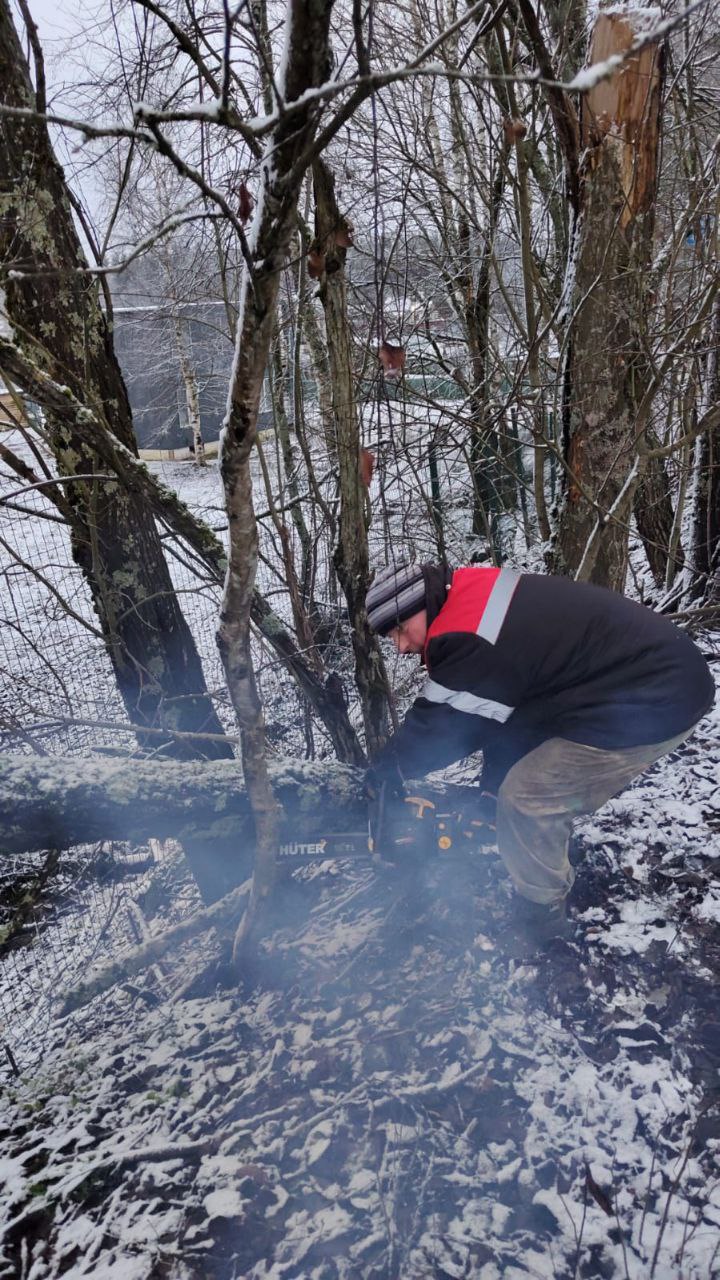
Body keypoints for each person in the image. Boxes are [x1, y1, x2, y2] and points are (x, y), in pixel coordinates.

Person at [364, 561, 714, 950]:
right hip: (637, 676)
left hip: (659, 697)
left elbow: (441, 727)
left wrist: (388, 767)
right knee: (511, 773)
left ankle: (541, 922)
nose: (401, 645)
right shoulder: (471, 594)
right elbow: (505, 709)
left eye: (400, 629)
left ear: (421, 604)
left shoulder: (467, 633)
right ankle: (538, 845)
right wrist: (488, 788)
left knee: (528, 798)